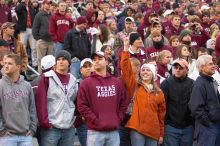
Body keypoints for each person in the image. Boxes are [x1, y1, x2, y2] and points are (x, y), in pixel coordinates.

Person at [120, 38, 166, 146]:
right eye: (143, 70)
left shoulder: (159, 93)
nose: (145, 72)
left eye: (148, 70)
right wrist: (126, 49)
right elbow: (126, 69)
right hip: (137, 129)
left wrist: (161, 134)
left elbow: (161, 115)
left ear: (154, 74)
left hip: (153, 130)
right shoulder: (135, 86)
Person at [77, 51, 127, 146]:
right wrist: (95, 120)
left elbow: (123, 103)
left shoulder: (116, 82)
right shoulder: (86, 83)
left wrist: (118, 118)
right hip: (95, 131)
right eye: (94, 60)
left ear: (107, 62)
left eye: (100, 59)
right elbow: (82, 106)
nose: (96, 61)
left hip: (113, 130)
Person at [36, 50, 78, 146]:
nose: (60, 61)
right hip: (51, 128)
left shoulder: (73, 80)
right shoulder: (46, 78)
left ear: (69, 63)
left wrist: (75, 121)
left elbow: (76, 102)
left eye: (63, 59)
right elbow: (40, 102)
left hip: (69, 127)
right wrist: (45, 123)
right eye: (58, 59)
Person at [0, 54, 37, 145]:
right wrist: (1, 130)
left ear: (18, 67)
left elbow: (32, 109)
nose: (6, 66)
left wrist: (32, 128)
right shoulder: (0, 85)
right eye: (5, 63)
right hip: (7, 136)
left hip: (26, 136)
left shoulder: (27, 85)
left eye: (10, 63)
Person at [161, 59, 194, 146]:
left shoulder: (193, 84)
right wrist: (165, 123)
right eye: (175, 67)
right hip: (171, 127)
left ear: (187, 69)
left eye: (181, 68)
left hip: (188, 126)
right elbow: (162, 105)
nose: (178, 70)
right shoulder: (166, 83)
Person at [189, 55, 220, 146]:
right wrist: (208, 123)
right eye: (210, 64)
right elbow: (195, 108)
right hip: (207, 128)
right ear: (202, 67)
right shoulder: (199, 84)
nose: (213, 65)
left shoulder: (210, 81)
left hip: (215, 126)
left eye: (213, 63)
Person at [74, 58, 93, 146]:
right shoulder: (76, 84)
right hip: (83, 123)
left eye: (90, 66)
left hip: (97, 122)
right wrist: (79, 117)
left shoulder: (101, 82)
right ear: (81, 70)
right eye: (85, 67)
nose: (88, 68)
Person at [32, 0, 53, 73]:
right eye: (47, 4)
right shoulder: (39, 15)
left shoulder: (51, 15)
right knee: (41, 59)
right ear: (43, 5)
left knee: (51, 60)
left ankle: (49, 76)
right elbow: (35, 28)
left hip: (51, 41)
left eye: (50, 4)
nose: (49, 5)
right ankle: (40, 77)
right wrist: (38, 39)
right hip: (42, 40)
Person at [15, 0, 38, 68]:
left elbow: (35, 16)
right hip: (23, 30)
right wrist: (22, 3)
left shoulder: (31, 7)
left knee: (34, 47)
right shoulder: (20, 6)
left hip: (32, 29)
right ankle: (23, 63)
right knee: (23, 47)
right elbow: (17, 10)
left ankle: (35, 63)